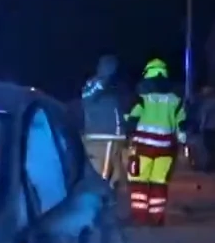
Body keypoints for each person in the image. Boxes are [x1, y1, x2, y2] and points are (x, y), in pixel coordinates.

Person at [124, 58, 185, 225]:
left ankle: (140, 216)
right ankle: (157, 217)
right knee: (159, 183)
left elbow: (132, 119)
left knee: (139, 182)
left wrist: (126, 129)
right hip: (166, 149)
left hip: (143, 147)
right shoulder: (175, 100)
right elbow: (183, 122)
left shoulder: (142, 97)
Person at [78, 55, 130, 186]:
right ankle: (98, 203)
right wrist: (105, 77)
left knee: (114, 178)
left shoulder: (117, 87)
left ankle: (108, 202)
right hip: (101, 137)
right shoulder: (94, 84)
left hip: (116, 139)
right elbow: (87, 98)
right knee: (101, 178)